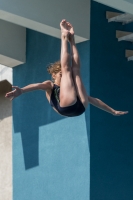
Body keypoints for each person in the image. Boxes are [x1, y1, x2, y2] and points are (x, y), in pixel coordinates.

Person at [5, 19, 128, 117]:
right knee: (72, 71)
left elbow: (94, 100)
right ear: (53, 75)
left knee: (75, 71)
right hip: (67, 107)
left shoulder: (70, 86)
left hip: (80, 106)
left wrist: (112, 111)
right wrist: (22, 90)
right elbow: (36, 86)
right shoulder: (49, 85)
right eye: (60, 74)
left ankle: (72, 40)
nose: (64, 76)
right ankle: (64, 37)